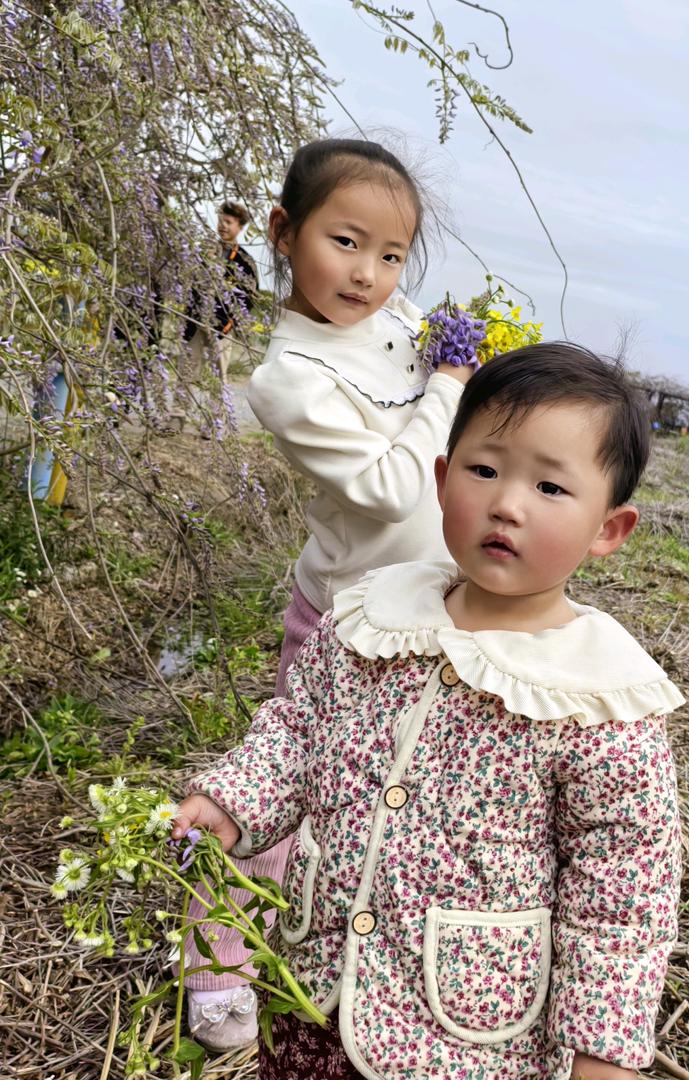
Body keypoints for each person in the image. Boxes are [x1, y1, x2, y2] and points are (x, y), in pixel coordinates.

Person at [172, 343, 684, 1079]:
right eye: (484, 470)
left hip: (465, 1043)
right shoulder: (374, 615)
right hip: (318, 989)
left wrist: (602, 1052)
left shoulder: (599, 696)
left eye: (549, 486)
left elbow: (622, 899)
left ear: (610, 528)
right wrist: (232, 800)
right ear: (442, 482)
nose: (506, 502)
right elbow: (297, 726)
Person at [178, 139, 474, 1051]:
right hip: (343, 621)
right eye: (347, 243)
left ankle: (332, 954)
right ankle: (213, 971)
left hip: (424, 611)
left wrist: (471, 364)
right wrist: (452, 383)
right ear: (282, 231)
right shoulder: (289, 376)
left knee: (377, 799)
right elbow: (390, 485)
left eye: (391, 255)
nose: (370, 274)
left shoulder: (401, 321)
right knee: (278, 799)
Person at [182, 201, 260, 383]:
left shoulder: (243, 260)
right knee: (186, 370)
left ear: (240, 227)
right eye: (220, 221)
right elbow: (188, 281)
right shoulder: (204, 250)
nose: (222, 226)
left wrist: (230, 323)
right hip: (195, 322)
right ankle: (178, 411)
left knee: (218, 379)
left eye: (228, 222)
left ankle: (220, 412)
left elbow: (248, 298)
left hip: (222, 328)